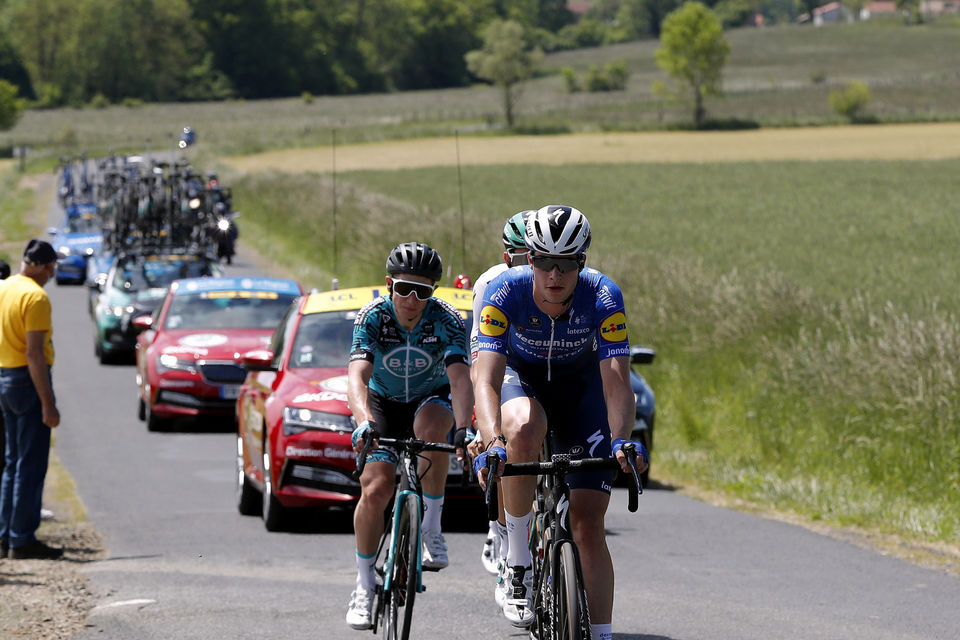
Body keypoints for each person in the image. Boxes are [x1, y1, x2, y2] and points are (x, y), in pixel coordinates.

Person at [471, 206, 648, 640]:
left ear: (582, 262)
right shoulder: (502, 291)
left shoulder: (604, 296)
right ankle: (517, 561)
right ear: (527, 259)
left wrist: (623, 439)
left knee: (588, 526)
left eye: (567, 263)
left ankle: (602, 634)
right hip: (522, 380)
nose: (554, 274)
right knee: (523, 429)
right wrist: (492, 439)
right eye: (543, 261)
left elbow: (617, 383)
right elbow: (486, 379)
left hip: (581, 389)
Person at [345, 242, 474, 630]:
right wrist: (364, 420)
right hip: (381, 404)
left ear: (433, 292)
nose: (412, 299)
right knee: (376, 489)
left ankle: (431, 527)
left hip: (427, 398)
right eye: (404, 289)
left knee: (434, 430)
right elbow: (358, 376)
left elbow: (459, 378)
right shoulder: (372, 316)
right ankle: (364, 585)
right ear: (389, 285)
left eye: (423, 291)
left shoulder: (447, 319)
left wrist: (465, 428)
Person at [467, 210, 535, 608]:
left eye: (536, 257)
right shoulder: (491, 284)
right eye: (521, 256)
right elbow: (481, 364)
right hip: (502, 368)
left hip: (546, 376)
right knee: (497, 443)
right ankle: (501, 528)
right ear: (506, 257)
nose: (530, 266)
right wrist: (483, 428)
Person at [0, 240, 63, 560]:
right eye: (51, 266)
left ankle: (6, 533)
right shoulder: (35, 297)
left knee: (12, 461)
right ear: (40, 266)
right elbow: (35, 353)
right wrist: (48, 404)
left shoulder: (6, 287)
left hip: (5, 377)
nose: (53, 272)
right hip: (27, 380)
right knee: (30, 463)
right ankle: (22, 538)